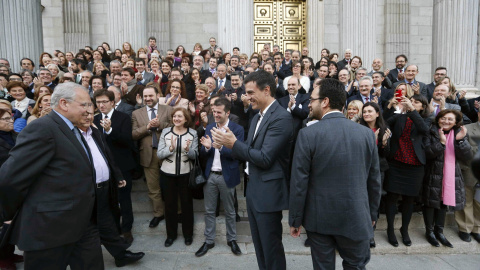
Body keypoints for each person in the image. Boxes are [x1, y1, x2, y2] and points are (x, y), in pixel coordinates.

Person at [0, 82, 104, 269]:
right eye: (85, 104)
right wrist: (10, 214)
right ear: (64, 104)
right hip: (48, 230)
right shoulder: (43, 129)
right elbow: (10, 178)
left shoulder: (72, 129)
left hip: (83, 224)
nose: (90, 110)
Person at [289, 78, 381, 270]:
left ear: (325, 101)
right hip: (356, 215)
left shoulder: (307, 135)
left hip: (319, 218)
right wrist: (372, 213)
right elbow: (374, 180)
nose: (309, 104)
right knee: (356, 266)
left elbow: (299, 182)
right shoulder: (366, 134)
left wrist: (295, 220)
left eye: (312, 99)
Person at [211, 70, 293, 270]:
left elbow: (264, 158)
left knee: (271, 248)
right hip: (254, 190)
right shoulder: (257, 117)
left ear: (266, 90)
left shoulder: (281, 117)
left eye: (250, 92)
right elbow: (248, 152)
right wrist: (226, 144)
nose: (246, 97)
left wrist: (234, 143)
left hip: (269, 194)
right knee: (260, 247)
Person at [78, 105, 144, 267]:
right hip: (85, 191)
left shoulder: (94, 133)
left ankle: (121, 255)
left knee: (107, 223)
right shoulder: (71, 136)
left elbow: (106, 156)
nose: (88, 118)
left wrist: (117, 176)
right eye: (84, 115)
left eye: (90, 115)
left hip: (104, 188)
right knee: (90, 228)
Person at [196, 98, 244, 257]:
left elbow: (239, 154)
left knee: (230, 211)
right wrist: (207, 148)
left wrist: (221, 147)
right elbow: (204, 153)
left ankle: (232, 240)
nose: (215, 115)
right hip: (210, 176)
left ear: (227, 112)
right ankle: (209, 240)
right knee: (209, 211)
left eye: (219, 112)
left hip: (227, 175)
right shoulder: (209, 127)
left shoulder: (237, 129)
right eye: (214, 112)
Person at [383, 94, 430, 247]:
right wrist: (394, 108)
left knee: (409, 199)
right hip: (396, 163)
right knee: (392, 197)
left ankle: (404, 230)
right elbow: (384, 124)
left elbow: (424, 129)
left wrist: (411, 111)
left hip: (415, 165)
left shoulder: (426, 119)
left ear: (422, 107)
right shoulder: (400, 117)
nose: (412, 103)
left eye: (416, 102)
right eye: (411, 101)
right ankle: (390, 229)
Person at [423, 109, 473, 248]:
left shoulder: (458, 133)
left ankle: (440, 231)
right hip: (433, 172)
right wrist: (441, 143)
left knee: (444, 203)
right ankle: (430, 232)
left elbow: (467, 156)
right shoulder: (431, 130)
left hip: (451, 174)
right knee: (431, 202)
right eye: (443, 118)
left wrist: (460, 140)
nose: (446, 121)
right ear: (438, 118)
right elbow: (427, 153)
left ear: (456, 122)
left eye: (450, 119)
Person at [93, 89, 136, 244]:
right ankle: (114, 230)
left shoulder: (123, 118)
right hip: (102, 167)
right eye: (98, 102)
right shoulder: (94, 119)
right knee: (109, 200)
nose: (101, 105)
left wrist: (110, 130)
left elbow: (127, 141)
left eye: (104, 102)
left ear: (112, 102)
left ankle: (126, 230)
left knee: (124, 200)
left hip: (122, 165)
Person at [132, 86, 173, 228]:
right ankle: (158, 214)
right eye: (145, 96)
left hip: (168, 152)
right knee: (153, 188)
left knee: (172, 185)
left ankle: (177, 212)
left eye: (151, 95)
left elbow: (176, 126)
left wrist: (160, 125)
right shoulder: (137, 113)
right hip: (148, 155)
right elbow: (134, 134)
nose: (148, 98)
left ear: (157, 95)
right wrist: (147, 127)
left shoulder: (168, 109)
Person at [157, 107, 198, 247]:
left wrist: (188, 150)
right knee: (169, 205)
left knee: (187, 205)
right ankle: (171, 235)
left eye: (180, 116)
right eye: (175, 116)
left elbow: (196, 155)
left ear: (186, 119)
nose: (177, 119)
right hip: (167, 173)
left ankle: (188, 235)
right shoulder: (165, 132)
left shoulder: (192, 133)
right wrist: (170, 149)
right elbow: (159, 154)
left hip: (186, 174)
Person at [359, 102, 391, 248]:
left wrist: (383, 143)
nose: (366, 114)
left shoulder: (385, 129)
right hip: (361, 169)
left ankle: (370, 234)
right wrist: (372, 139)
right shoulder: (358, 129)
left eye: (369, 111)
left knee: (374, 201)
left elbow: (386, 155)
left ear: (377, 113)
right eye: (364, 111)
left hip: (378, 170)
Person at [0, 108, 23, 270]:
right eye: (6, 119)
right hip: (2, 186)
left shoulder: (16, 135)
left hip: (16, 185)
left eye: (11, 118)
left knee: (13, 222)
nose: (10, 121)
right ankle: (2, 257)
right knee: (3, 224)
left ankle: (9, 252)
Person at [455, 109, 480, 243]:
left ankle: (477, 228)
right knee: (466, 201)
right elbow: (463, 150)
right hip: (469, 170)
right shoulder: (467, 129)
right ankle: (464, 228)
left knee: (479, 203)